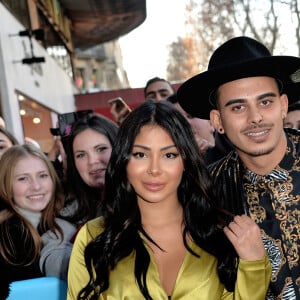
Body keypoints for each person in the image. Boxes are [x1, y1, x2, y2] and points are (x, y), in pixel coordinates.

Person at [67, 100, 271, 300]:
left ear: (186, 161)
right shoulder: (94, 238)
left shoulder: (222, 233)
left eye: (169, 155)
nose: (154, 169)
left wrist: (253, 266)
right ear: (123, 160)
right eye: (140, 154)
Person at [177, 36, 300, 299]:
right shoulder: (206, 193)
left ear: (283, 106)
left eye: (265, 102)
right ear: (217, 120)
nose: (255, 117)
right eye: (238, 107)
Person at [0, 144, 76, 299]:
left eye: (42, 175)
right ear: (6, 185)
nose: (36, 186)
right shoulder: (8, 234)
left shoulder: (66, 217)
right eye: (23, 179)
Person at [61, 113, 118, 227]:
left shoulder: (150, 201)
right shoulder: (69, 216)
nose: (92, 161)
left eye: (101, 149)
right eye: (81, 155)